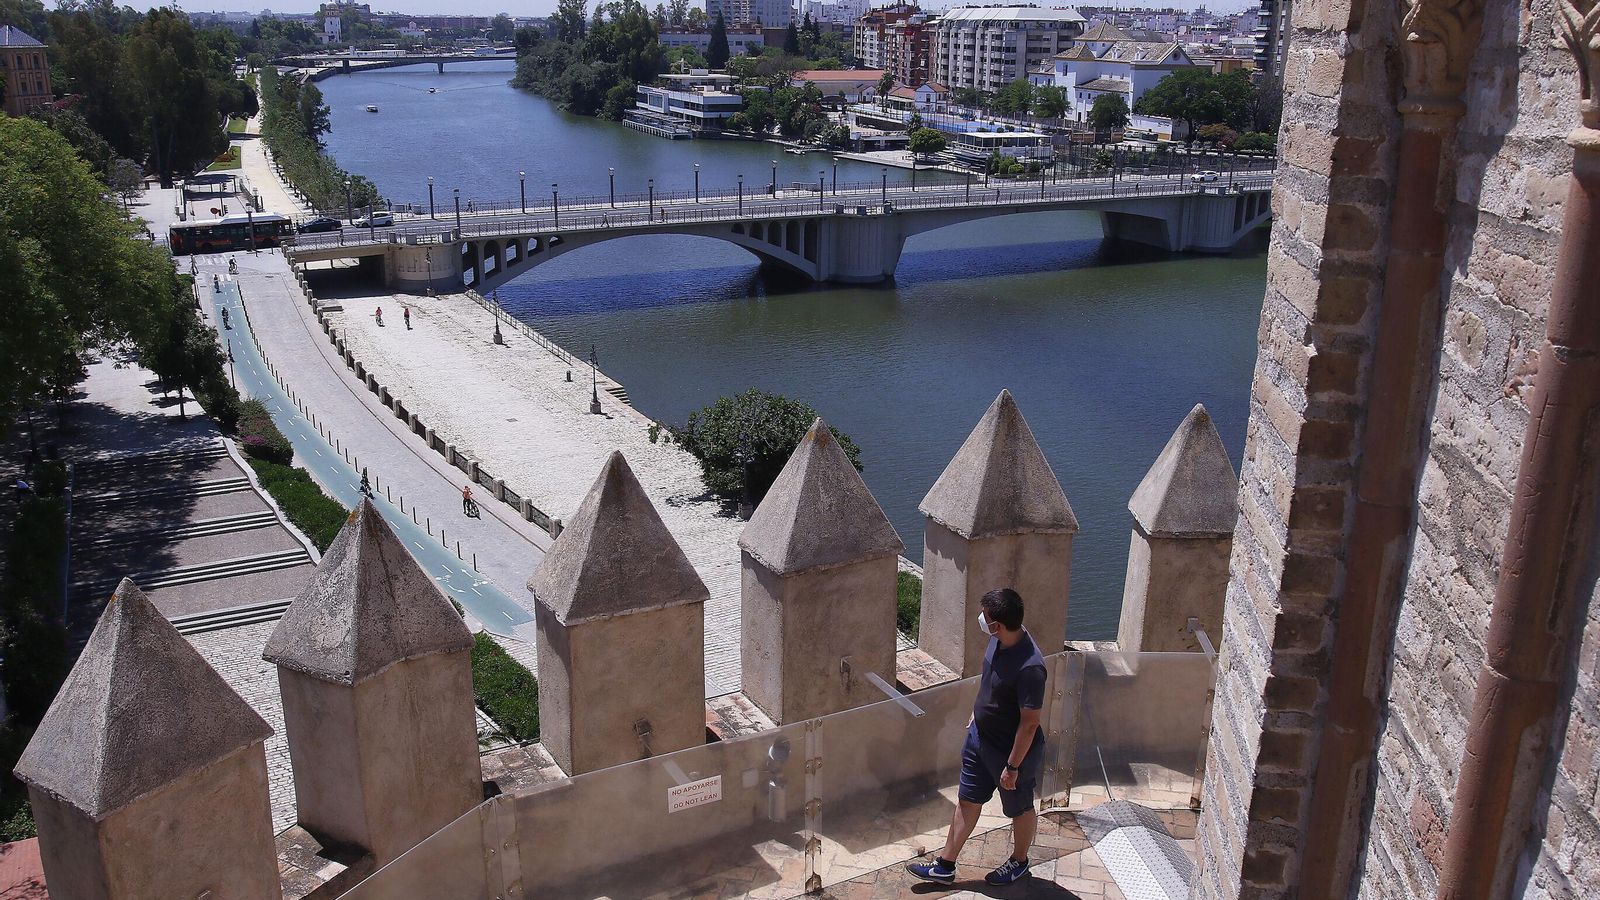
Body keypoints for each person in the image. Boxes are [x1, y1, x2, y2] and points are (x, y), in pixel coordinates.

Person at [908, 588, 1046, 886]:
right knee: (967, 800)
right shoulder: (998, 641)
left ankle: (1020, 861)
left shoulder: (1030, 667)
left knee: (1019, 808)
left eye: (986, 616)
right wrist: (977, 712)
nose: (980, 619)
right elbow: (990, 681)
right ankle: (945, 866)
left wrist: (1012, 766)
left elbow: (1030, 723)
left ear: (997, 625)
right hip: (980, 740)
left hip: (1011, 753)